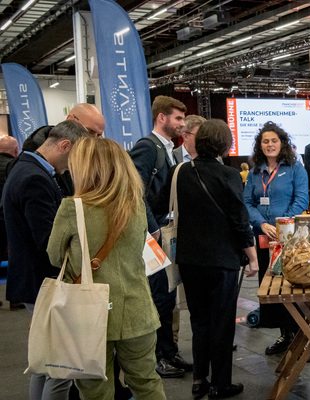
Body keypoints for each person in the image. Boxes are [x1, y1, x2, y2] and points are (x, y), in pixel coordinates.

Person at [46, 138, 166, 400]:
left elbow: (55, 257)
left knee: (95, 389)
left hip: (87, 313)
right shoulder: (135, 205)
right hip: (136, 308)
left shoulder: (72, 207)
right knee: (146, 382)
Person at [155, 119, 258, 399]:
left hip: (188, 259)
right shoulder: (230, 175)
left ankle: (199, 379)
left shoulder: (179, 172)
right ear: (225, 146)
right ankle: (220, 383)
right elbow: (239, 220)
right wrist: (252, 257)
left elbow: (159, 206)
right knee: (222, 323)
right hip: (221, 259)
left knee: (199, 321)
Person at [2, 120, 89, 400]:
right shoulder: (35, 178)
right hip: (44, 281)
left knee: (45, 363)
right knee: (61, 368)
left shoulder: (26, 168)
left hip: (36, 281)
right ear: (65, 145)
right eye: (78, 155)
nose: (77, 166)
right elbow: (48, 241)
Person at [129, 95, 191, 378]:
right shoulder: (147, 147)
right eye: (178, 118)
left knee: (166, 297)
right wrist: (153, 228)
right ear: (162, 118)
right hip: (153, 236)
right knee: (158, 297)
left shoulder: (166, 149)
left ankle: (169, 353)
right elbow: (134, 192)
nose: (182, 124)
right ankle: (158, 357)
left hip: (164, 232)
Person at [243, 121, 309, 356]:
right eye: (265, 141)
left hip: (289, 239)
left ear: (282, 143)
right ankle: (286, 335)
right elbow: (247, 202)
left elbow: (301, 200)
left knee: (293, 288)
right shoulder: (254, 171)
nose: (270, 145)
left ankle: (304, 339)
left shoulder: (295, 168)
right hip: (263, 239)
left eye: (274, 140)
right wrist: (261, 223)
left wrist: (282, 226)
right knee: (273, 289)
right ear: (260, 145)